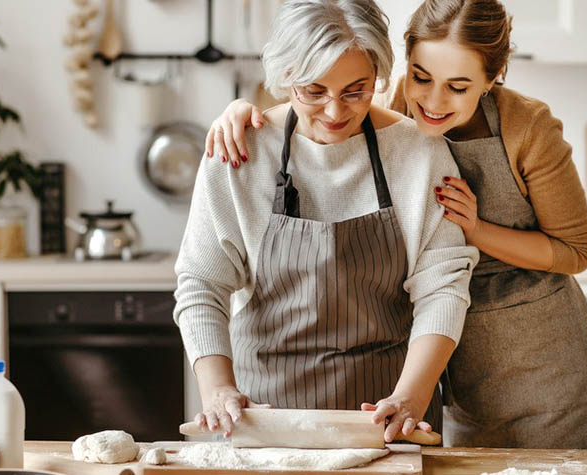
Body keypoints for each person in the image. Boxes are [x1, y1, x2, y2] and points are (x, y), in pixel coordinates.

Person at [202, 0, 587, 450]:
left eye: (458, 86)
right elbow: (326, 98)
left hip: (539, 355)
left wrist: (477, 231)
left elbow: (576, 251)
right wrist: (242, 111)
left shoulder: (525, 129)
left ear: (493, 79)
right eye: (421, 77)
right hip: (452, 359)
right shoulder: (394, 110)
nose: (433, 103)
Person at [173, 0, 477, 444]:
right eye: (313, 91)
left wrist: (411, 396)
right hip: (265, 417)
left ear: (378, 77)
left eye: (356, 91)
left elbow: (444, 285)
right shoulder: (239, 152)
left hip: (388, 418)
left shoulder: (419, 153)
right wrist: (217, 388)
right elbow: (202, 282)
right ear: (285, 78)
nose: (335, 112)